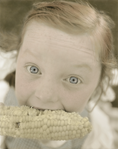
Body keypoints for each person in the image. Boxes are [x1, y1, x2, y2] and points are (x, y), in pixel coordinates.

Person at [0, 0, 117, 148]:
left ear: (97, 89)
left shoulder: (96, 134)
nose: (45, 95)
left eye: (73, 79)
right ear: (16, 62)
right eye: (33, 69)